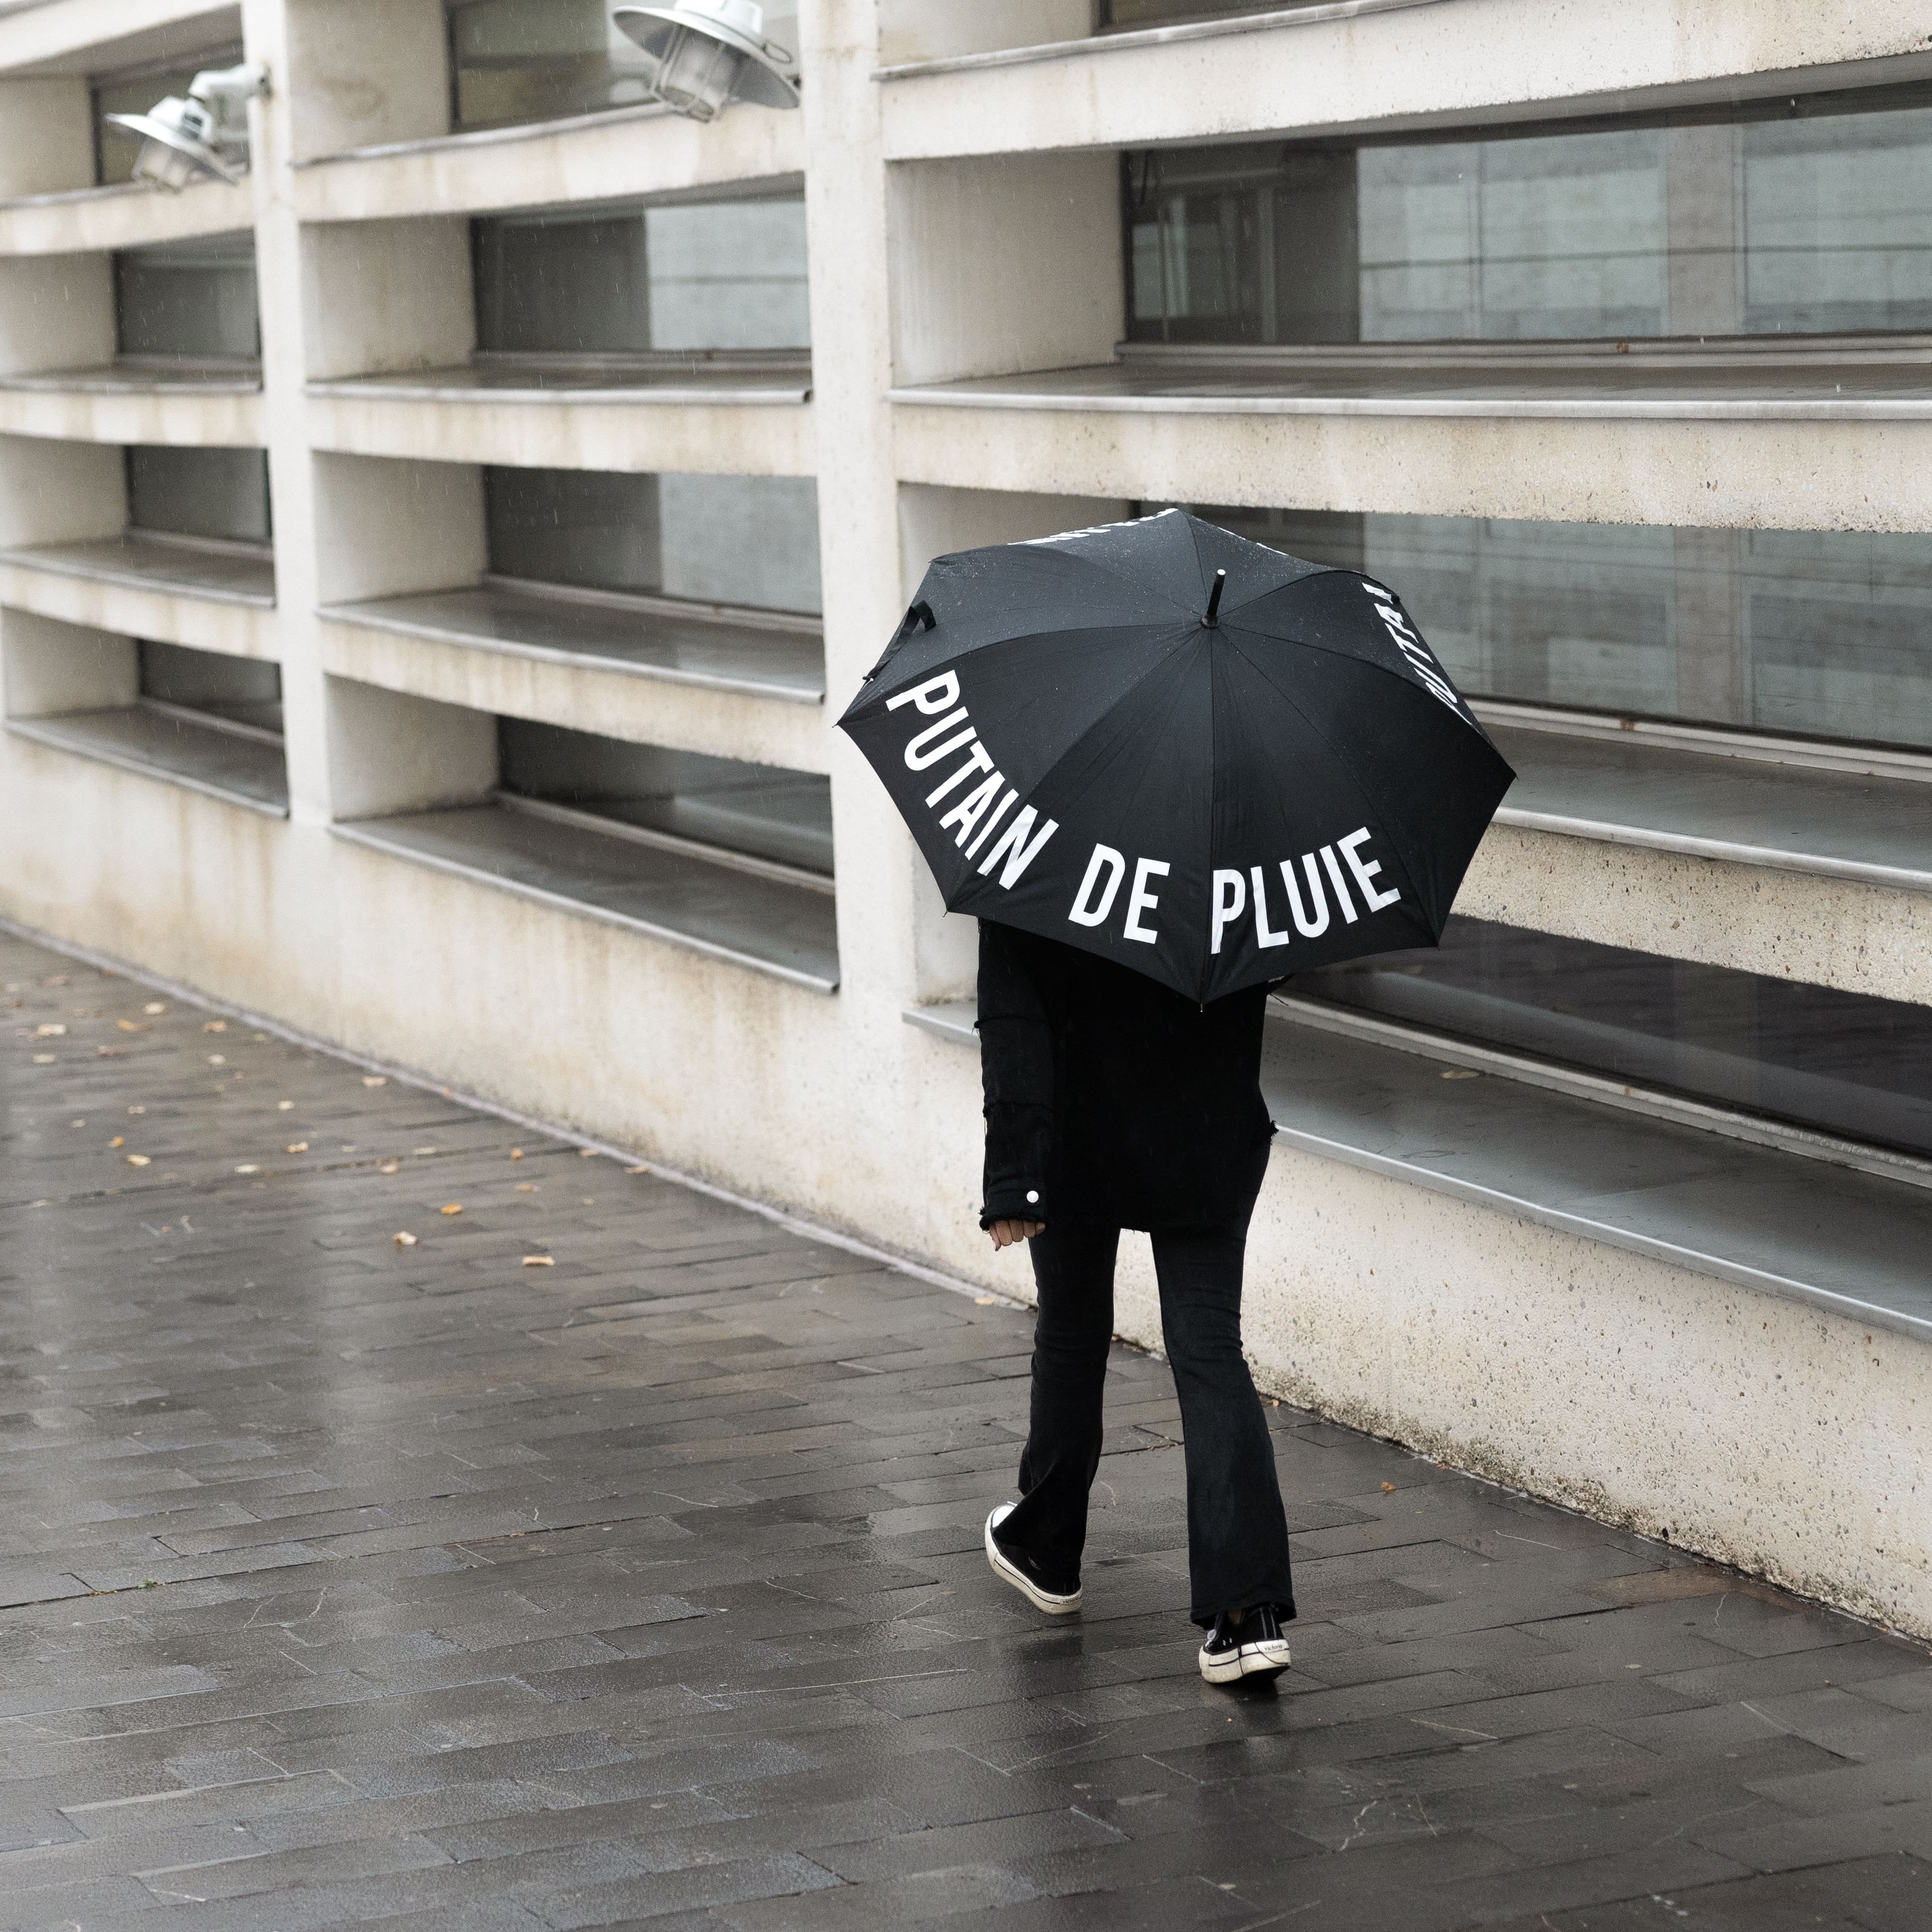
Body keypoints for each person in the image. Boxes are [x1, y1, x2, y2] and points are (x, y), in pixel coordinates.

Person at [975, 916, 1296, 1686]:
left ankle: (1047, 1547)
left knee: (1074, 1329)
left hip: (1079, 1123)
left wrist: (1015, 1178)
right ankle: (1245, 1614)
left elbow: (1015, 1012)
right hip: (1206, 1123)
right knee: (1209, 1345)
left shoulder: (1043, 831)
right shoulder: (1238, 829)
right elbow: (1268, 965)